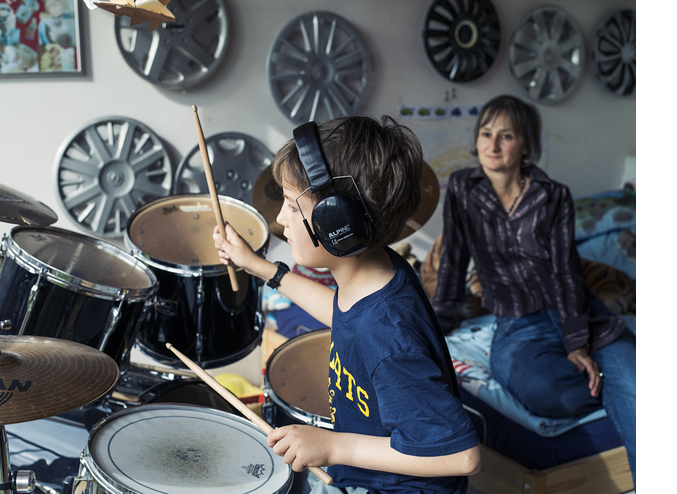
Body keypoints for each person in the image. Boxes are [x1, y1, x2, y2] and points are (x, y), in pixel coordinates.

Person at [214, 116, 481, 494]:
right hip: (362, 474)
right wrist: (261, 268)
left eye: (292, 205)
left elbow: (462, 456)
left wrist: (334, 445)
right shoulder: (376, 274)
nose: (280, 218)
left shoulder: (389, 336)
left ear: (337, 221)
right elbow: (346, 317)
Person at [431, 95, 636, 485]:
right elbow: (454, 260)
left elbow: (565, 271)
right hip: (517, 324)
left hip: (583, 314)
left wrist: (577, 343)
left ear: (526, 144)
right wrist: (436, 328)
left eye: (505, 136)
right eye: (486, 134)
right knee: (545, 390)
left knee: (641, 387)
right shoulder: (462, 188)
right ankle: (606, 382)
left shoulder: (553, 195)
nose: (492, 145)